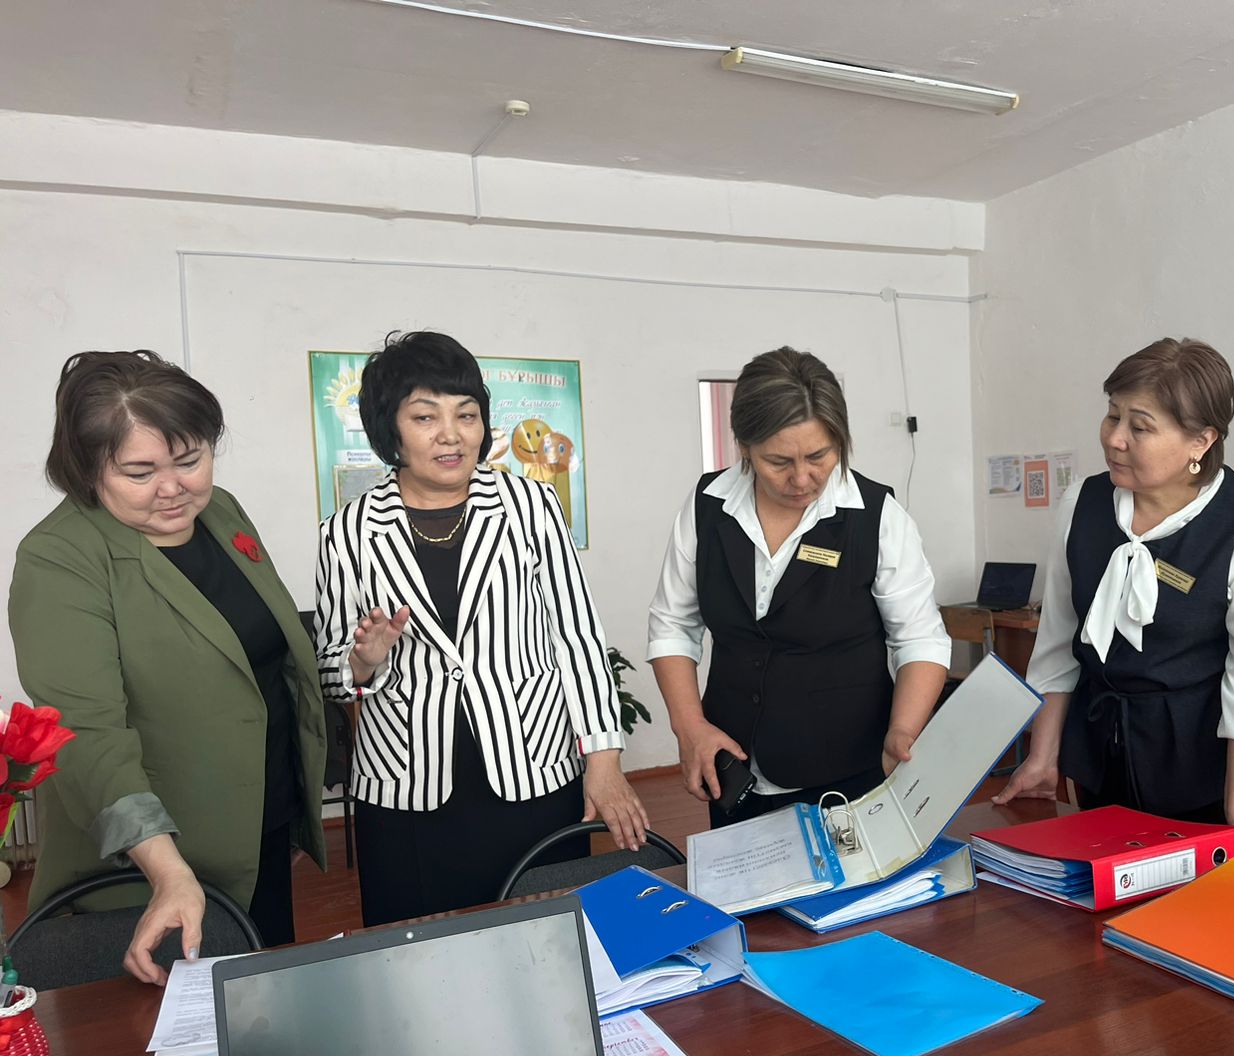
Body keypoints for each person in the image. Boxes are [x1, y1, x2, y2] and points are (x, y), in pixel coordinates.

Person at [9, 350, 326, 982]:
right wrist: (168, 870)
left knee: (261, 1005)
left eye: (189, 460)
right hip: (156, 860)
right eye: (140, 471)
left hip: (259, 824)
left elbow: (262, 658)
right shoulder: (60, 557)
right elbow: (87, 735)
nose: (174, 487)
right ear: (87, 467)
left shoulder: (222, 512)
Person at [314, 331, 647, 927]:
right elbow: (331, 672)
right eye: (426, 417)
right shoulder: (348, 531)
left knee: (546, 936)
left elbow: (576, 635)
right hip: (405, 784)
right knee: (419, 948)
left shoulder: (531, 506)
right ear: (390, 430)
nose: (451, 434)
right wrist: (364, 660)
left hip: (532, 767)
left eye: (466, 415)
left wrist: (603, 759)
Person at [996, 338, 1234, 860]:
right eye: (1112, 415)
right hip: (1098, 752)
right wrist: (1043, 756)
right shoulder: (1083, 503)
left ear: (1201, 441)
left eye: (1139, 427)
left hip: (1202, 769)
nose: (1115, 439)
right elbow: (1058, 643)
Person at [646, 346, 950, 825]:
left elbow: (919, 638)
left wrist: (903, 729)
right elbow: (672, 625)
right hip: (733, 772)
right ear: (744, 447)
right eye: (778, 461)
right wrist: (689, 727)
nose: (802, 478)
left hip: (849, 774)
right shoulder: (708, 506)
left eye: (819, 456)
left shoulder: (878, 517)